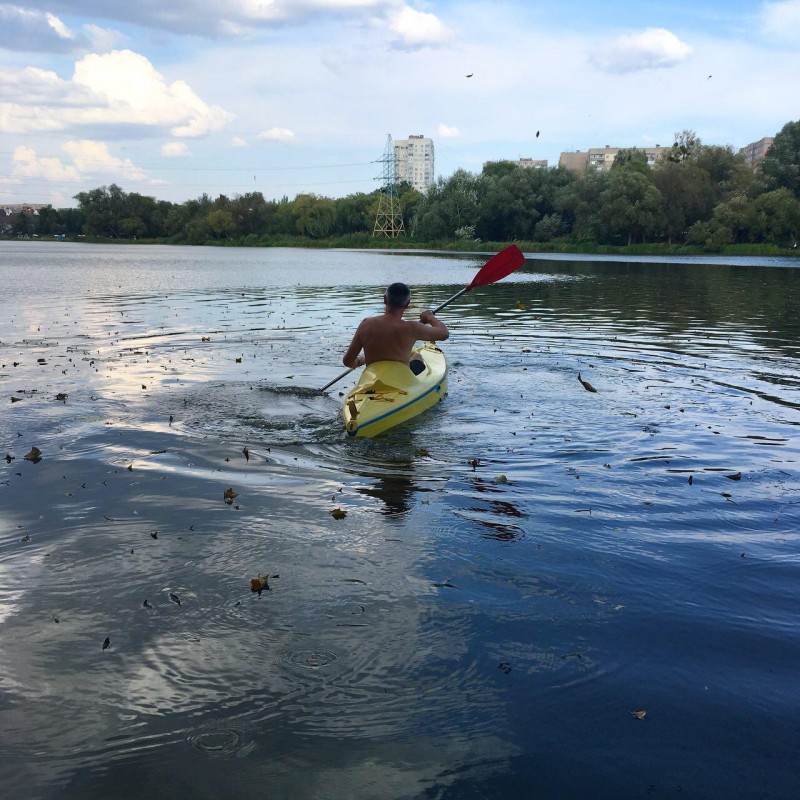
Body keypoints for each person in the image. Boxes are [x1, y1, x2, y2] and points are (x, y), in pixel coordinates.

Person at [343, 282, 449, 375]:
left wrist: (359, 361)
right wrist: (430, 318)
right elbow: (444, 333)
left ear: (385, 299)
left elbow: (347, 361)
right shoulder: (412, 328)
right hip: (401, 381)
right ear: (407, 304)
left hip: (373, 380)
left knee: (414, 354)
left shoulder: (366, 324)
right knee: (417, 356)